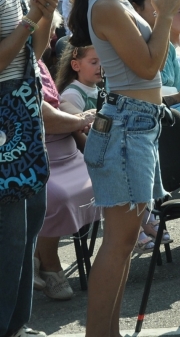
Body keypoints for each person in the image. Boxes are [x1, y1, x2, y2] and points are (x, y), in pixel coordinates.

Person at [67, 0, 180, 336]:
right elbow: (147, 64)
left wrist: (162, 12)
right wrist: (165, 15)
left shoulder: (117, 1)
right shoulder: (105, 5)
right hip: (126, 127)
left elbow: (149, 62)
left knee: (124, 244)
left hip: (137, 125)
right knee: (120, 242)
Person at [0, 0, 58, 337]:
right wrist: (26, 23)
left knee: (31, 221)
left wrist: (44, 17)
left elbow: (31, 57)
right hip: (5, 121)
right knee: (9, 234)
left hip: (24, 109)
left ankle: (18, 324)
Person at [35, 58, 99, 301]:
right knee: (58, 196)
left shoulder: (37, 62)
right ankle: (50, 265)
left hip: (67, 149)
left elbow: (56, 106)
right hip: (39, 151)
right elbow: (46, 118)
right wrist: (82, 119)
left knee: (105, 175)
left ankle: (36, 257)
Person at [55, 44, 102, 115]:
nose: (100, 67)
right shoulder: (73, 94)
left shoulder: (99, 90)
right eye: (94, 62)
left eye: (103, 61)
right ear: (76, 65)